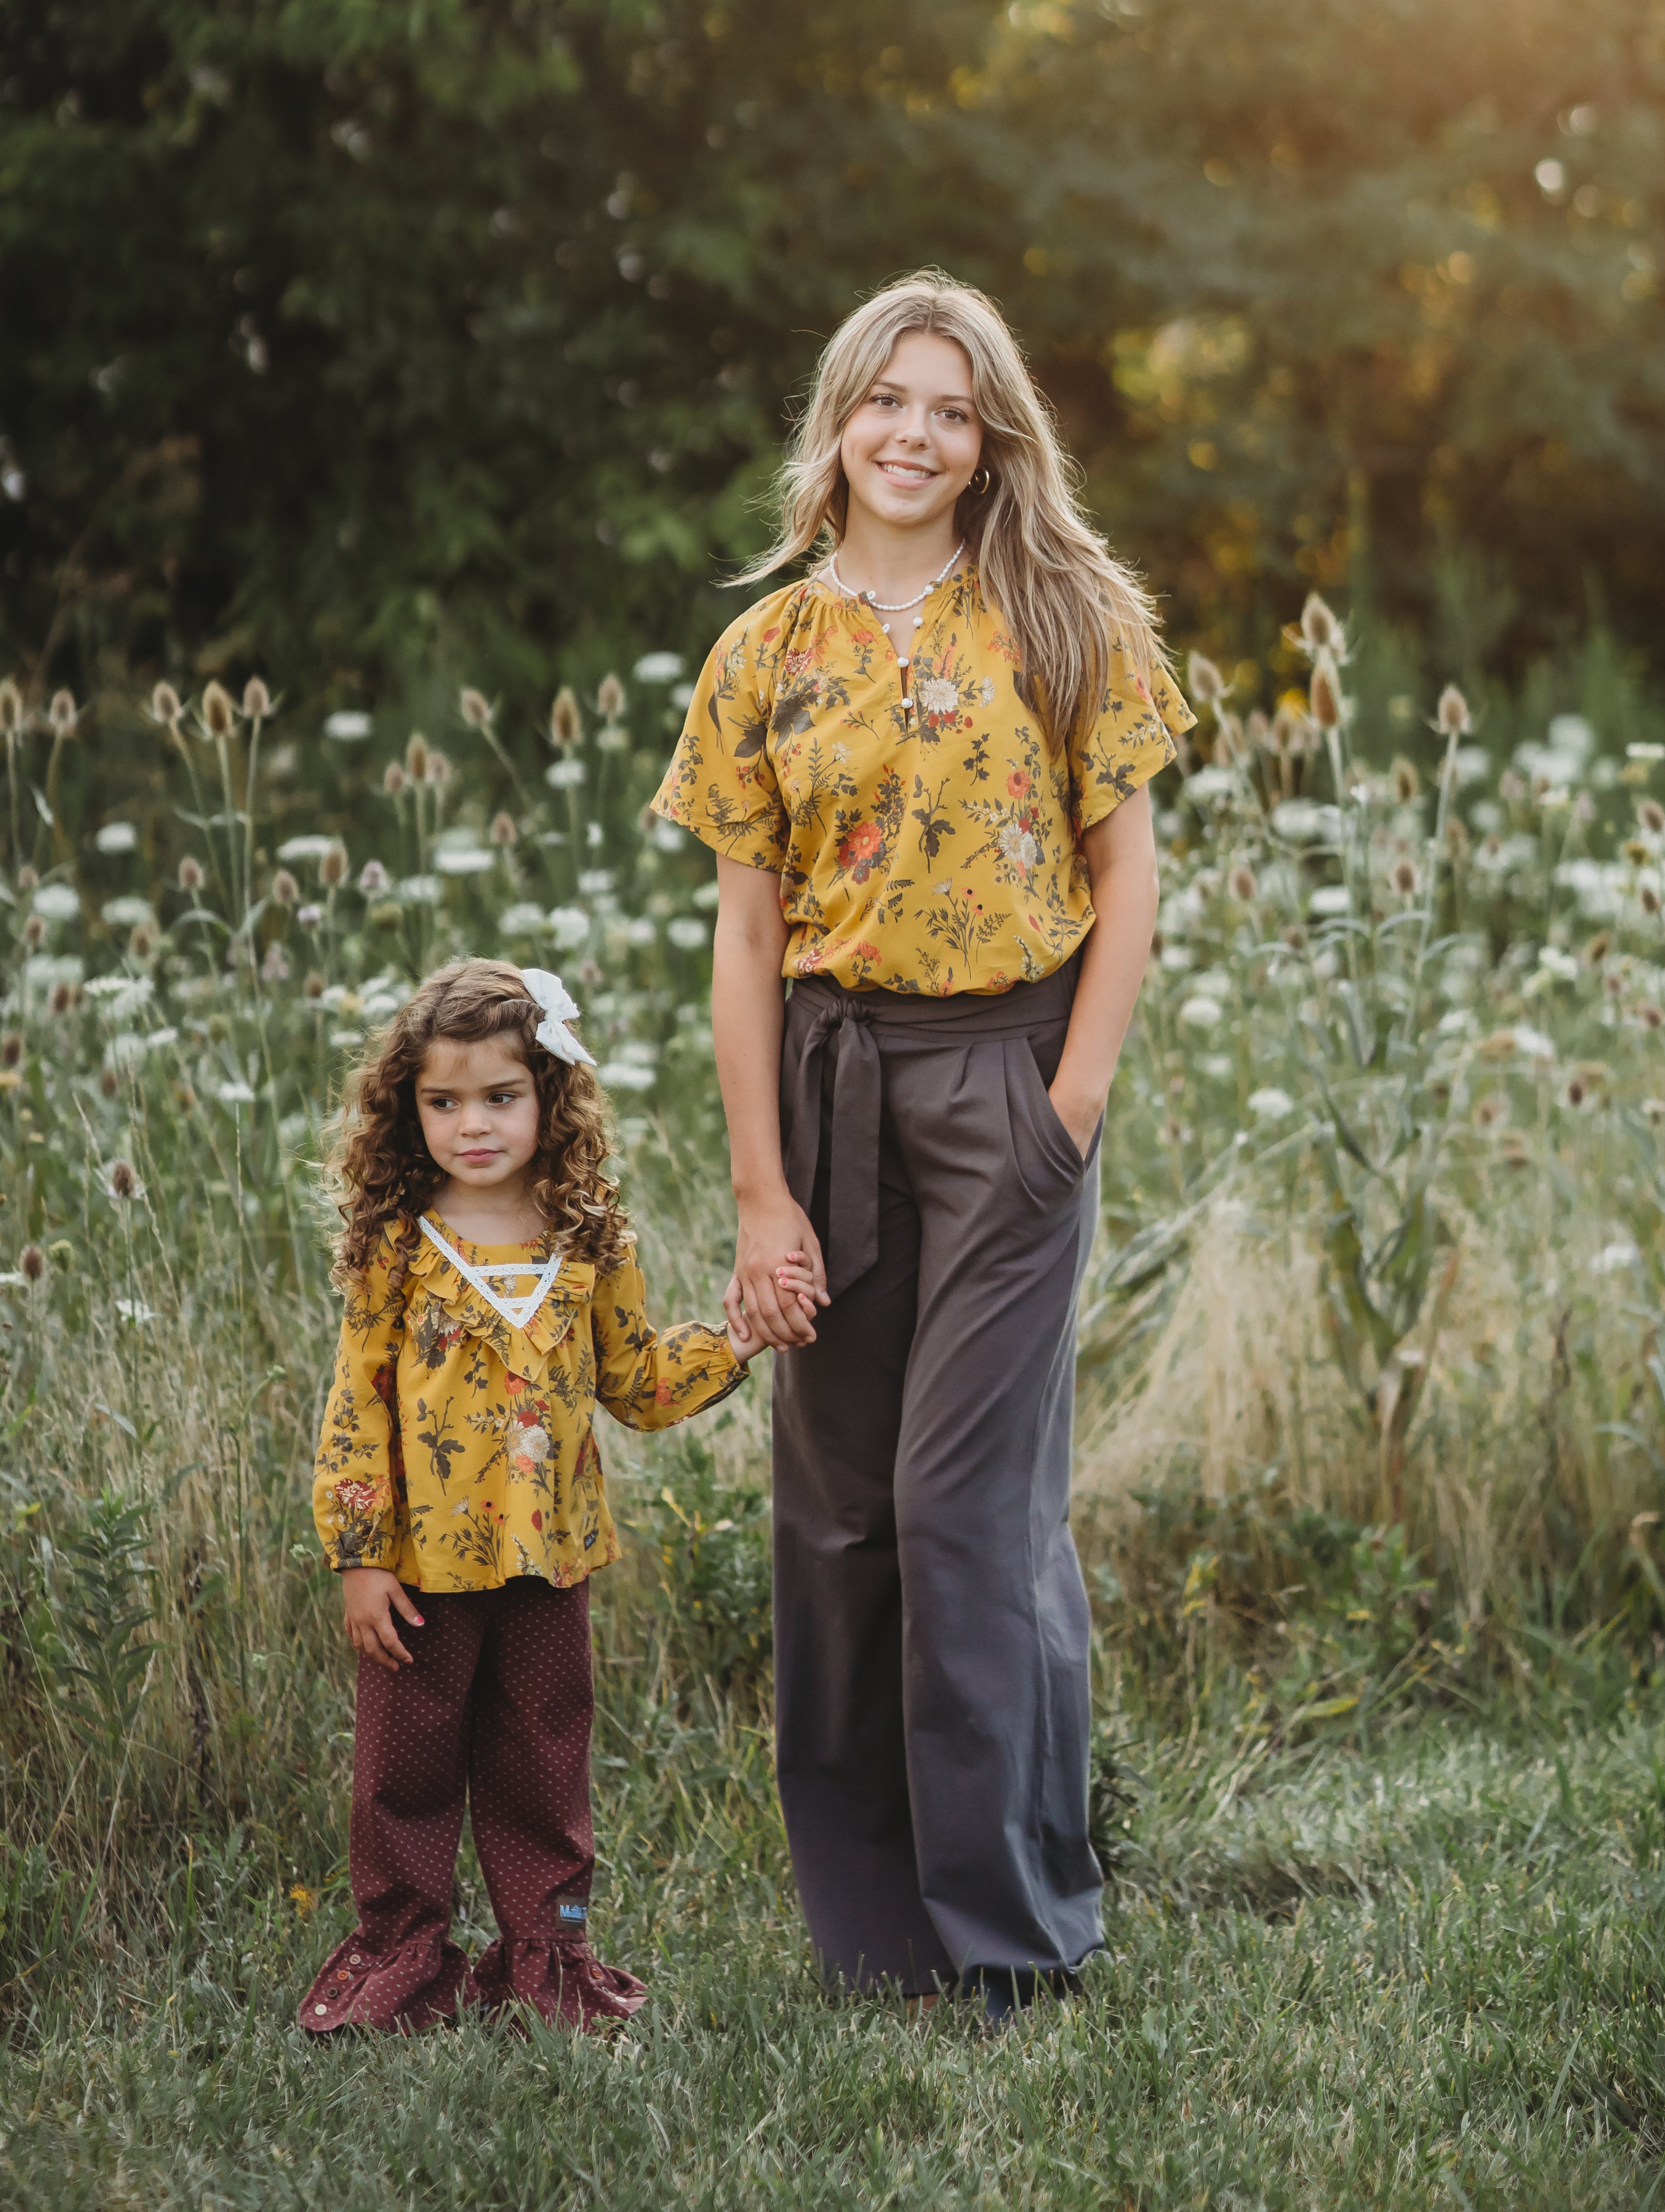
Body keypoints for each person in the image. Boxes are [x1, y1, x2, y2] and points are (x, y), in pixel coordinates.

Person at [653, 270, 1192, 2023]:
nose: (913, 431)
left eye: (951, 408)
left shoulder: (1065, 616)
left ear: (989, 441)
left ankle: (1016, 1930)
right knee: (836, 1521)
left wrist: (1074, 1107)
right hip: (829, 1087)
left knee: (968, 1512)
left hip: (1012, 1083)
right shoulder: (766, 655)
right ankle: (876, 1933)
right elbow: (744, 939)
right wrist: (759, 1197)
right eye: (887, 399)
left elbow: (1131, 878)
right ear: (836, 424)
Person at [297, 956, 807, 2034]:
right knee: (404, 1774)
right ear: (408, 1108)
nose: (470, 1124)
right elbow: (357, 1409)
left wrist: (736, 1338)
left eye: (499, 1097)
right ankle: (403, 1957)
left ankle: (549, 1952)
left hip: (548, 1562)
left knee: (543, 1769)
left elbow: (633, 1381)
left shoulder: (585, 1239)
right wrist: (360, 1558)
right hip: (420, 1573)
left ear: (548, 1095)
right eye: (442, 1102)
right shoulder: (397, 1245)